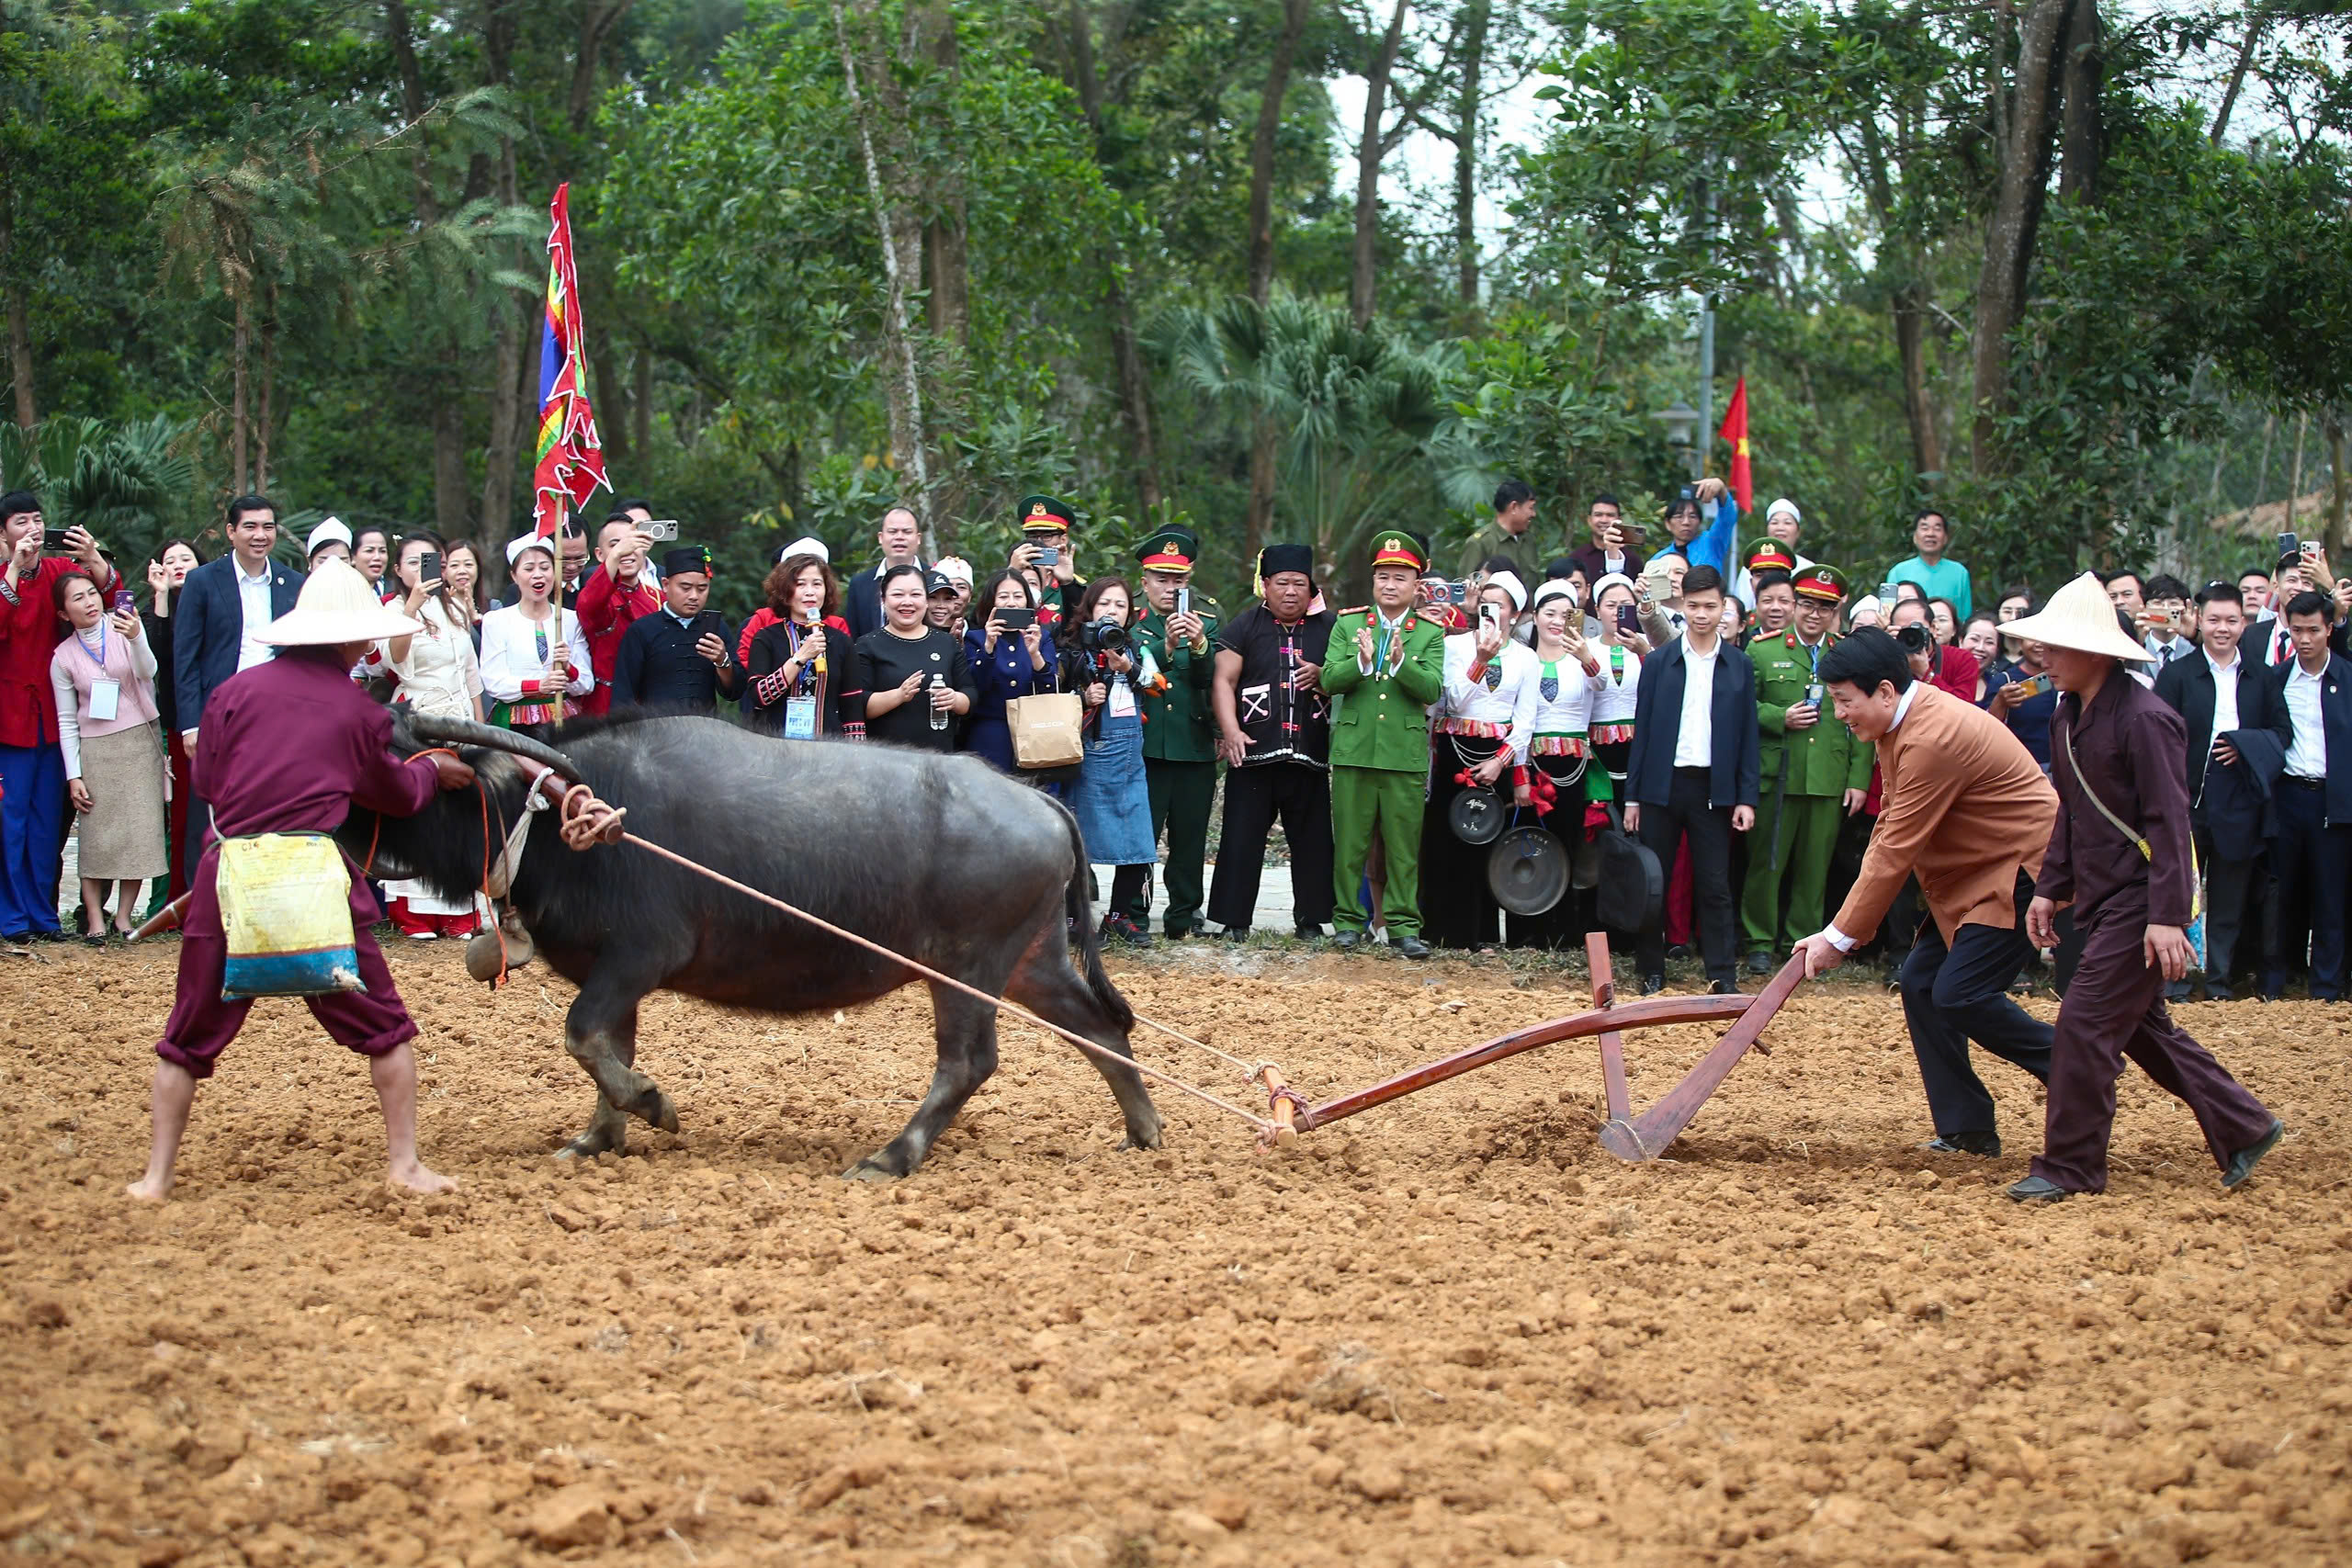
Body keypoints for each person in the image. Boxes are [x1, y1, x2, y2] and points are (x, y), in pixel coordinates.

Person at [128, 560, 477, 1203]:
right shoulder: (359, 711)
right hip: (315, 882)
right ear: (353, 640)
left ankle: (156, 1177)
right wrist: (433, 773)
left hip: (227, 878)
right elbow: (396, 795)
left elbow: (205, 780)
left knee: (184, 1035)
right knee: (387, 1027)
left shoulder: (233, 692)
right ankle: (404, 1162)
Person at [2005, 573, 2284, 1201]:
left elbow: (2169, 820)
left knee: (2082, 1022)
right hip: (2104, 900)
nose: (2043, 657)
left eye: (2058, 645)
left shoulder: (2147, 717)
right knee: (2140, 1027)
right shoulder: (2067, 713)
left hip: (2141, 901)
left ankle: (2071, 1165)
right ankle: (2245, 1125)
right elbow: (2071, 812)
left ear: (2098, 651)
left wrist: (2168, 916)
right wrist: (2050, 887)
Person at [1792, 627, 2058, 1156]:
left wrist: (1840, 938)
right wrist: (1839, 930)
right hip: (1972, 875)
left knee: (1961, 994)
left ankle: (2073, 1062)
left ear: (1885, 691)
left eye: (1846, 701)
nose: (1839, 714)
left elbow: (1896, 850)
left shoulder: (1932, 737)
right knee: (1920, 983)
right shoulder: (1905, 723)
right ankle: (1967, 1127)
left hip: (2019, 874)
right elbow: (1889, 829)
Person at [1622, 565, 1758, 992]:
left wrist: (1746, 798)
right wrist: (1633, 798)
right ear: (1682, 606)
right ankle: (1651, 970)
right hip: (1662, 786)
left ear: (1725, 609)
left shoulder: (1738, 665)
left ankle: (1722, 974)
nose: (1702, 614)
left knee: (1715, 884)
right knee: (1654, 883)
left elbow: (1748, 737)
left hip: (1714, 790)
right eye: (1694, 606)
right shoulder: (1661, 661)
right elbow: (1641, 732)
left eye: (1711, 606)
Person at [2151, 581, 2280, 1000]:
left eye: (2231, 620)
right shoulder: (2178, 674)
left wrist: (2246, 746)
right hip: (2186, 800)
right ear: (2198, 620)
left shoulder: (2262, 676)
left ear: (2244, 622)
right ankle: (2176, 981)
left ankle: (2221, 982)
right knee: (2181, 895)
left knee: (2229, 896)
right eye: (2213, 620)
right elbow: (2157, 731)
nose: (2222, 629)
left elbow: (2282, 733)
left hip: (2240, 800)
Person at [1741, 563, 1871, 975]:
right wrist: (1780, 717)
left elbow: (1864, 719)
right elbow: (1742, 705)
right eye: (1808, 605)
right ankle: (1760, 940)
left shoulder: (1846, 653)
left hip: (1828, 777)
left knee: (1815, 867)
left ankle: (1802, 941)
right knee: (1768, 860)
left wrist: (1858, 780)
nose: (1815, 615)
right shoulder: (1764, 649)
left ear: (1837, 611)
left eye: (1825, 608)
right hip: (1777, 772)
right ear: (1794, 604)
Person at [1323, 532, 1446, 957]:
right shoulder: (1349, 624)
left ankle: (1403, 926)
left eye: (1399, 577)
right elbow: (1328, 680)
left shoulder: (1429, 632)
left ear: (1416, 585)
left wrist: (1399, 663)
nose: (1389, 585)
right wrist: (1360, 661)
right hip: (1355, 748)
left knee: (1403, 847)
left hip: (1403, 753)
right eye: (1382, 577)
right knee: (1350, 844)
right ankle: (1347, 922)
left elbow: (1431, 689)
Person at [171, 494, 300, 889]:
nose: (260, 535)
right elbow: (185, 657)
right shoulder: (203, 581)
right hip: (219, 711)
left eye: (267, 526)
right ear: (231, 531)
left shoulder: (292, 582)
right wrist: (190, 724)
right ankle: (201, 903)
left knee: (274, 805)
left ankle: (265, 894)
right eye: (250, 526)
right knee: (208, 809)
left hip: (278, 713)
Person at [1208, 545, 1336, 940]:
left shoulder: (1331, 628)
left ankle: (1313, 921)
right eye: (1282, 583)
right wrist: (1230, 731)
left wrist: (1324, 673)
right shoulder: (1245, 627)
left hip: (1310, 755)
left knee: (1313, 841)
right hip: (1254, 754)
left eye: (1300, 584)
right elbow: (1223, 681)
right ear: (1265, 585)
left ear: (1311, 588)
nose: (1291, 592)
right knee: (1241, 840)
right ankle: (1234, 921)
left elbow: (1349, 673)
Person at [1420, 570, 1537, 949]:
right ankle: (1438, 930)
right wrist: (1480, 660)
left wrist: (1501, 764)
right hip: (1454, 751)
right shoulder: (1454, 647)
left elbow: (1525, 722)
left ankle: (1480, 935)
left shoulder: (1526, 658)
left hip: (1495, 759)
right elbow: (1450, 701)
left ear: (1515, 615)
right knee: (1444, 840)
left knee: (1486, 845)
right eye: (1486, 601)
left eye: (1500, 605)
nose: (1492, 610)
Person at [50, 571, 167, 942]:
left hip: (138, 742)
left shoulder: (124, 627)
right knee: (97, 834)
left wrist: (134, 637)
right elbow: (66, 720)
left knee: (140, 831)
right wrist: (74, 774)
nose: (89, 602)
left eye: (91, 593)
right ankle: (95, 922)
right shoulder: (63, 657)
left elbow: (149, 672)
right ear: (64, 613)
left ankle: (123, 917)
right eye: (77, 599)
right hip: (96, 749)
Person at [381, 532, 485, 941]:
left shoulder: (457, 604)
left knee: (460, 814)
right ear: (398, 570)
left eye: (433, 562)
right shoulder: (391, 609)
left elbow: (471, 672)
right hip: (418, 718)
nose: (425, 570)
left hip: (461, 718)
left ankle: (461, 908)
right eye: (414, 562)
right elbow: (397, 661)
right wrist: (412, 607)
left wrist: (481, 729)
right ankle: (414, 912)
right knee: (419, 811)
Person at [1126, 530, 1221, 939]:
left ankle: (1185, 915)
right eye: (1160, 578)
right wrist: (1165, 648)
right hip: (1144, 745)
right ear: (1144, 580)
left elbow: (1211, 680)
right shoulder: (1129, 621)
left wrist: (1199, 645)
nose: (1170, 587)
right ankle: (1132, 913)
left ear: (1190, 578)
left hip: (1193, 742)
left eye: (1178, 580)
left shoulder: (1210, 621)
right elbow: (1135, 675)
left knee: (1189, 838)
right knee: (1140, 835)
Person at [1054, 578, 1158, 944]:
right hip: (1089, 759)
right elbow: (1051, 697)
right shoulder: (1070, 649)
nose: (1112, 611)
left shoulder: (1136, 647)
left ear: (1130, 614)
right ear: (1089, 609)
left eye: (1120, 605)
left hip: (1129, 762)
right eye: (1104, 604)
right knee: (1081, 843)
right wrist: (1083, 696)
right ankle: (1074, 920)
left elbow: (1159, 685)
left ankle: (1120, 916)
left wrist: (1126, 668)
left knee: (1138, 840)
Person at [1509, 579, 1606, 950]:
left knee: (1566, 844)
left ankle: (1563, 932)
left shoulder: (1582, 659)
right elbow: (1519, 719)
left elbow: (1601, 685)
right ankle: (1523, 931)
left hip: (1572, 764)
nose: (1556, 621)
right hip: (1531, 763)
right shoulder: (1523, 659)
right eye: (1549, 613)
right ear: (1535, 617)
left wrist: (1585, 655)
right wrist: (1519, 771)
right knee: (1526, 841)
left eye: (1565, 615)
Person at [2264, 590, 2351, 1003]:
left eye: (2314, 630)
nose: (2304, 639)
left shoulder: (2348, 680)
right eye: (2296, 630)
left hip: (2334, 801)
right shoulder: (2276, 680)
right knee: (2280, 894)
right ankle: (2273, 983)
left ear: (2329, 630)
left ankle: (2327, 989)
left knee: (2331, 896)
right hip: (2287, 796)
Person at [141, 538, 202, 914]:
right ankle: (171, 901)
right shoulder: (156, 611)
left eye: (186, 558)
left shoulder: (215, 603)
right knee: (177, 815)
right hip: (175, 724)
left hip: (217, 720)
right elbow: (155, 658)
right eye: (169, 560)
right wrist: (162, 597)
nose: (178, 565)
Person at [851, 562, 973, 750]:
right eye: (898, 594)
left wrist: (955, 699)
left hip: (939, 756)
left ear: (925, 601)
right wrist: (899, 695)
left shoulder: (947, 643)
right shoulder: (867, 644)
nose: (907, 602)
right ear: (883, 600)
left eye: (915, 594)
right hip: (885, 756)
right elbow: (857, 705)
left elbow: (970, 694)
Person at [479, 534, 595, 729]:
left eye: (544, 567)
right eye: (529, 569)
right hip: (515, 723)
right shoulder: (496, 620)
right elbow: (494, 682)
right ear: (514, 575)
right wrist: (539, 686)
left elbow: (586, 684)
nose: (538, 575)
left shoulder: (570, 620)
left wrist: (569, 668)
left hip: (563, 721)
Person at [610, 546, 741, 714]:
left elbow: (734, 692)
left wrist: (722, 661)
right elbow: (623, 694)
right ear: (665, 584)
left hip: (706, 730)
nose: (694, 596)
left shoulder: (716, 629)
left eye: (702, 589)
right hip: (657, 730)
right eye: (685, 588)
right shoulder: (642, 630)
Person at [747, 551, 861, 739]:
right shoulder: (766, 637)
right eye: (800, 584)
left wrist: (856, 752)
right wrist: (800, 657)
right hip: (774, 747)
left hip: (829, 748)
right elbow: (758, 697)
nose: (810, 592)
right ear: (785, 591)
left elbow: (852, 703)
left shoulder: (841, 641)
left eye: (817, 584)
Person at [959, 569, 1051, 770]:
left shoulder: (1041, 638)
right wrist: (989, 647)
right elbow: (974, 688)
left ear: (1027, 601)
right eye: (1003, 596)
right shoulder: (976, 638)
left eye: (1018, 596)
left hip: (1034, 731)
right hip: (989, 734)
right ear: (992, 602)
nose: (1011, 602)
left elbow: (1050, 689)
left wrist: (1035, 655)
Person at [573, 512, 660, 714]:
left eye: (632, 543)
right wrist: (617, 554)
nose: (626, 551)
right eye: (615, 544)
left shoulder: (659, 598)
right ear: (600, 554)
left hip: (651, 705)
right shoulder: (598, 595)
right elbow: (588, 606)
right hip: (606, 706)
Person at [1885, 508, 1971, 618]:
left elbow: (1964, 616)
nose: (1930, 534)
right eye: (1924, 528)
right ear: (1915, 537)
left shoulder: (1959, 572)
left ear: (1945, 538)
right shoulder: (1898, 572)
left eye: (1937, 528)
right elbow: (1888, 613)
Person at [1006, 494, 1082, 615]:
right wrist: (1010, 573)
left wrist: (1068, 584)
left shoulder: (1073, 587)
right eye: (1033, 536)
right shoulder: (1011, 573)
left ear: (1063, 540)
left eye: (1047, 536)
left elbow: (1080, 624)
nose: (1039, 542)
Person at [1456, 479, 1543, 584]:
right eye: (1531, 508)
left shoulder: (1528, 540)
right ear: (1514, 507)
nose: (1534, 514)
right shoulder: (1480, 543)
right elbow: (1468, 589)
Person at [1650, 478, 1739, 576]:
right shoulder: (1659, 559)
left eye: (1692, 516)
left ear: (1700, 522)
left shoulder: (1711, 544)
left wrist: (1721, 488)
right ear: (1668, 523)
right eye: (1679, 516)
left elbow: (1727, 519)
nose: (1686, 522)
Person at [1733, 499, 1812, 608]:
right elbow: (1743, 607)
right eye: (1774, 522)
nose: (1780, 528)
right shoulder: (1750, 568)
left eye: (1787, 523)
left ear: (1798, 531)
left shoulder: (1808, 568)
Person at [1567, 492, 1645, 584]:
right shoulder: (1576, 558)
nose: (1604, 520)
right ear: (1589, 520)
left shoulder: (1632, 559)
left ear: (1619, 520)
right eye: (1598, 515)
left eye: (1610, 515)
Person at [442, 540, 486, 649]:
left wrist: (475, 618)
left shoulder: (494, 608)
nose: (462, 571)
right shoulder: (435, 608)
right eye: (454, 565)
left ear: (478, 569)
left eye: (468, 564)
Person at [2142, 573, 2195, 664]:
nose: (2166, 609)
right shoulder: (2137, 645)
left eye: (2173, 603)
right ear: (2144, 607)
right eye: (2158, 603)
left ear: (2186, 608)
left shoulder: (2195, 647)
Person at [1746, 552, 1797, 639]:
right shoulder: (1741, 625)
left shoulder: (1805, 632)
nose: (1775, 607)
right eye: (1760, 575)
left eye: (1783, 601)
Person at [351, 525, 392, 595]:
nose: (377, 557)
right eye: (369, 550)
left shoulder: (398, 591)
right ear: (353, 557)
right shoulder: (342, 591)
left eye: (382, 551)